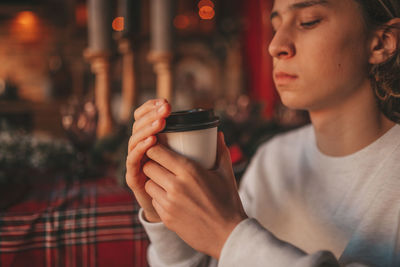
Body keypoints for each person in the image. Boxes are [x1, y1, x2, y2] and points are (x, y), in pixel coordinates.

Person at [125, 0, 400, 266]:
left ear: (381, 43)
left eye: (308, 22)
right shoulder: (273, 158)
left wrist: (227, 234)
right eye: (276, 24)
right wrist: (162, 213)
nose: (275, 45)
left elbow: (232, 245)